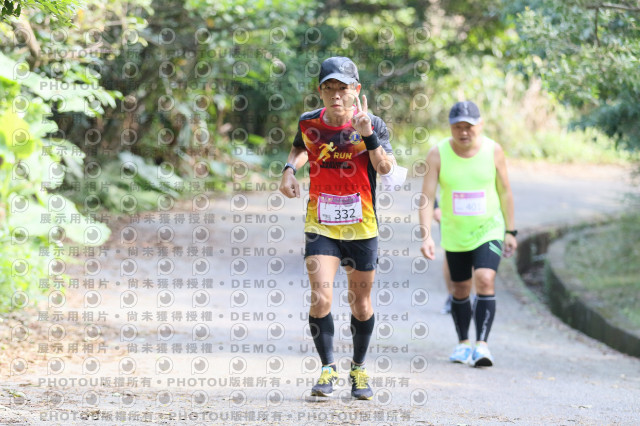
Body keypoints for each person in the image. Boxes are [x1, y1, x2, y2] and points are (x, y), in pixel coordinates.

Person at [279, 57, 396, 399]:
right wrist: (289, 170)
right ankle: (328, 368)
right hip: (321, 224)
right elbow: (300, 146)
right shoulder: (309, 122)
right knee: (321, 298)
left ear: (356, 90)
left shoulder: (373, 123)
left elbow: (385, 169)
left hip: (362, 227)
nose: (336, 95)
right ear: (320, 91)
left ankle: (358, 368)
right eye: (329, 88)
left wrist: (367, 134)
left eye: (343, 88)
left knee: (361, 304)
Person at [419, 100, 517, 367]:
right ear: (450, 127)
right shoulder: (437, 154)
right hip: (455, 233)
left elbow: (505, 191)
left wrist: (510, 230)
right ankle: (463, 343)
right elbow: (426, 197)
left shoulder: (493, 150)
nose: (463, 132)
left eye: (469, 127)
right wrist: (426, 235)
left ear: (480, 125)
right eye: (457, 127)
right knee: (460, 288)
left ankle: (482, 345)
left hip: (489, 229)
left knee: (485, 278)